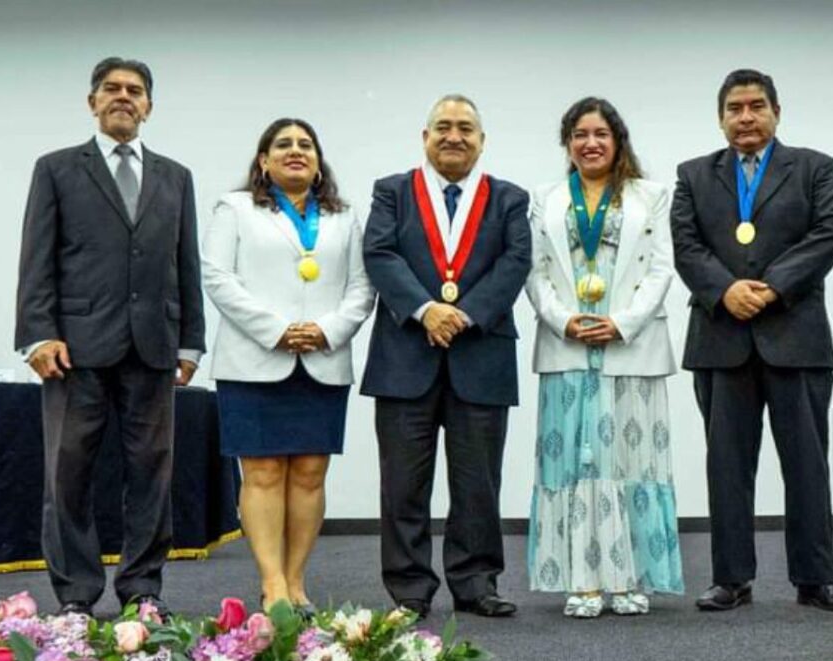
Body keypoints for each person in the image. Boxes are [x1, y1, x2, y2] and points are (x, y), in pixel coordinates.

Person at [14, 57, 205, 617]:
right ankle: (75, 595)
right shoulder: (56, 169)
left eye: (136, 90)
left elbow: (183, 263)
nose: (124, 97)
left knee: (152, 476)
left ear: (149, 105)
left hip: (153, 349)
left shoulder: (176, 176)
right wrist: (38, 334)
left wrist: (189, 341)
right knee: (67, 476)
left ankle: (143, 590)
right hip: (74, 350)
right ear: (92, 101)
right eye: (112, 89)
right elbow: (37, 260)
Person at [671, 68, 833, 612]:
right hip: (719, 335)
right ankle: (731, 578)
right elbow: (686, 245)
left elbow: (829, 234)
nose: (746, 117)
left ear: (777, 112)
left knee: (807, 462)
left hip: (795, 334)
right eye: (735, 108)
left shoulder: (813, 168)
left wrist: (772, 288)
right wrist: (726, 290)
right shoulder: (693, 174)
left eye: (756, 106)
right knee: (727, 465)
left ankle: (816, 578)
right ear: (721, 117)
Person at [360, 94, 530, 619]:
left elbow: (516, 260)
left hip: (481, 355)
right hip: (404, 357)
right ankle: (409, 589)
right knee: (403, 484)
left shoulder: (508, 198)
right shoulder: (392, 192)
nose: (454, 136)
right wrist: (425, 310)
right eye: (443, 127)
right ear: (425, 136)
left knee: (478, 482)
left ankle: (477, 582)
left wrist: (464, 313)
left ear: (482, 141)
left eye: (466, 128)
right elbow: (379, 253)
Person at [202, 118, 375, 614]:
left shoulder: (345, 217)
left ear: (319, 162)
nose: (295, 151)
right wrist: (276, 329)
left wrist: (328, 330)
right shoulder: (234, 208)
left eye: (306, 144)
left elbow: (362, 287)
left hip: (322, 361)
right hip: (254, 360)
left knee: (309, 474)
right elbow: (218, 277)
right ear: (263, 160)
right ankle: (272, 583)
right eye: (283, 144)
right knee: (260, 473)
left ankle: (297, 581)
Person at [524, 97, 683, 618]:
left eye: (601, 134)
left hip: (632, 346)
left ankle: (630, 579)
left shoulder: (651, 196)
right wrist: (562, 319)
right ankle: (582, 580)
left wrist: (624, 322)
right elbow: (535, 270)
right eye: (579, 134)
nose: (590, 143)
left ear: (618, 140)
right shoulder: (545, 198)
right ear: (567, 143)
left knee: (634, 464)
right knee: (569, 464)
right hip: (567, 345)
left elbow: (662, 268)